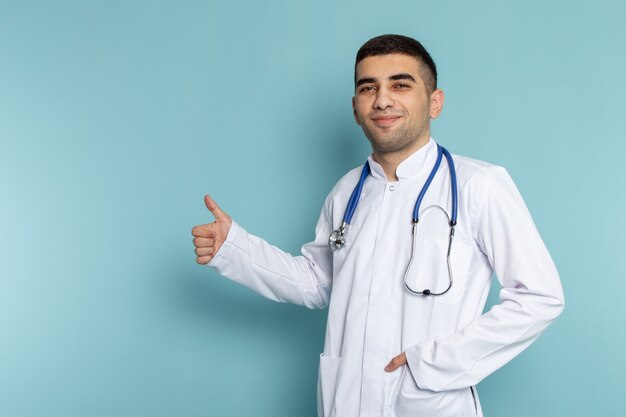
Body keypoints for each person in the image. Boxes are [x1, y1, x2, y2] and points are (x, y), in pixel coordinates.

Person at [191, 34, 564, 417]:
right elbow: (317, 282)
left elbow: (540, 297)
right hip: (346, 401)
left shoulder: (478, 185)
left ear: (434, 103)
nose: (382, 99)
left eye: (400, 85)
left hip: (430, 403)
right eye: (368, 88)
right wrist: (234, 247)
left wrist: (434, 362)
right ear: (355, 108)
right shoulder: (346, 192)